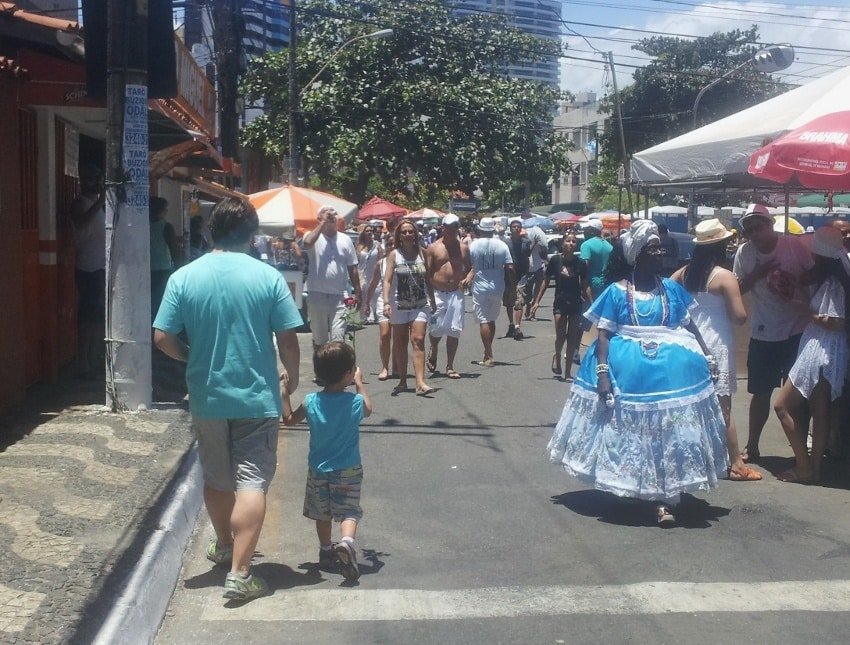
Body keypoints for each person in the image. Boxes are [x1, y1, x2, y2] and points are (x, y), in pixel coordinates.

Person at [153, 197, 302, 600]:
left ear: (209, 231)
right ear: (251, 235)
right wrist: (294, 378)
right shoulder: (267, 276)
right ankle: (240, 573)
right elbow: (288, 338)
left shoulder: (184, 277)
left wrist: (192, 358)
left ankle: (223, 544)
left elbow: (162, 337)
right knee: (252, 480)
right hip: (257, 397)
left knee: (218, 479)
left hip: (207, 395)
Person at [547, 219, 728, 527]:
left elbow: (688, 324)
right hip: (630, 377)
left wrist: (707, 354)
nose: (660, 252)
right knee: (639, 437)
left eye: (659, 247)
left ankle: (666, 494)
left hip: (673, 377)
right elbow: (603, 335)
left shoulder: (671, 288)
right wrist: (603, 374)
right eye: (653, 248)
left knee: (669, 434)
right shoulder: (617, 292)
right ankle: (648, 495)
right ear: (638, 254)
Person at [672, 219, 760, 482]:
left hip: (688, 343)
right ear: (720, 246)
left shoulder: (683, 273)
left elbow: (669, 296)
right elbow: (739, 317)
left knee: (689, 404)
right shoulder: (724, 276)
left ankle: (692, 457)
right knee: (724, 408)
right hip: (717, 346)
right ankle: (735, 464)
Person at [282, 341, 371, 581]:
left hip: (319, 469)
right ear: (348, 374)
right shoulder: (354, 402)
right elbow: (368, 408)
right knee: (349, 511)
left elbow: (289, 420)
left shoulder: (311, 401)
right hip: (348, 469)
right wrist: (360, 384)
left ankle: (325, 550)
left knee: (323, 514)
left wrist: (284, 395)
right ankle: (347, 542)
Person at [733, 203, 813, 463]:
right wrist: (758, 274)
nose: (756, 233)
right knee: (760, 392)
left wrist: (790, 282)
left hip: (796, 329)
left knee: (798, 394)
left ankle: (799, 444)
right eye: (750, 229)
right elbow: (738, 289)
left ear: (770, 225)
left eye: (760, 226)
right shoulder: (744, 253)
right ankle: (752, 445)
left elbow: (814, 275)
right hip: (764, 331)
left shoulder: (792, 246)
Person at [773, 226, 848, 484]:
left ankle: (804, 465)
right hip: (831, 348)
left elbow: (836, 322)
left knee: (782, 405)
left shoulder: (834, 283)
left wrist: (807, 311)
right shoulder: (834, 278)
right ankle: (813, 469)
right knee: (820, 410)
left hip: (821, 346)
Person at [382, 220, 434, 395]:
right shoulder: (394, 255)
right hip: (399, 304)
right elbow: (387, 280)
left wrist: (432, 299)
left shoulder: (423, 253)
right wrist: (386, 302)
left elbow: (428, 278)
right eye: (403, 232)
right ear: (399, 235)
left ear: (415, 234)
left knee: (418, 339)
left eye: (410, 231)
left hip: (420, 303)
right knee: (400, 342)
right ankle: (403, 380)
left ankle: (420, 382)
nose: (407, 235)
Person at [531, 231, 589, 381]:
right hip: (560, 302)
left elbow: (585, 285)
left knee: (572, 337)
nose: (571, 243)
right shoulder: (555, 260)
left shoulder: (580, 263)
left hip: (576, 303)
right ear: (562, 243)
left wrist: (593, 302)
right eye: (568, 241)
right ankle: (557, 356)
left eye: (574, 241)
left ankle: (568, 372)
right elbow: (546, 281)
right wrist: (536, 301)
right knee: (561, 336)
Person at [302, 206, 361, 348]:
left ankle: (337, 369)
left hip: (339, 296)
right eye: (326, 212)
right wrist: (322, 223)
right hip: (317, 294)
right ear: (319, 218)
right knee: (320, 339)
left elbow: (352, 268)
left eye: (333, 212)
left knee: (338, 339)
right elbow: (307, 243)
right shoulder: (312, 235)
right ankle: (321, 367)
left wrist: (358, 292)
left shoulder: (345, 239)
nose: (330, 214)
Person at [462, 217, 515, 366]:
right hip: (498, 285)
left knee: (483, 320)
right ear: (493, 230)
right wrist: (512, 286)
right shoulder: (502, 245)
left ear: (480, 229)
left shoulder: (474, 245)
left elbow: (468, 265)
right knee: (491, 319)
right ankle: (487, 352)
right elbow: (510, 268)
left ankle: (489, 354)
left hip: (480, 286)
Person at [70, 163, 106, 378]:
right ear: (82, 181)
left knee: (96, 319)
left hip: (100, 268)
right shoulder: (79, 204)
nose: (96, 183)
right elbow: (82, 224)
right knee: (87, 318)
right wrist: (99, 203)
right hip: (87, 268)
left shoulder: (97, 204)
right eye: (91, 179)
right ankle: (83, 360)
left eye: (98, 179)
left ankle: (93, 358)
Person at [424, 213, 470, 378]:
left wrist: (468, 278)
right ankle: (434, 349)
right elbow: (427, 273)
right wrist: (429, 295)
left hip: (456, 293)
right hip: (437, 293)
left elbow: (472, 268)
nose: (452, 231)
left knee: (454, 330)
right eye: (449, 228)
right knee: (435, 329)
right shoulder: (433, 248)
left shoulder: (463, 248)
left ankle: (450, 365)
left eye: (455, 228)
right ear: (443, 228)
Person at [365, 235, 396, 381]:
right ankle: (385, 366)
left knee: (399, 336)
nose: (391, 247)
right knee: (385, 334)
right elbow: (373, 284)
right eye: (389, 244)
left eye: (394, 244)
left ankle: (397, 364)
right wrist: (366, 303)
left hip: (399, 302)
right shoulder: (381, 263)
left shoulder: (403, 262)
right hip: (383, 301)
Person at [149, 196, 180, 323]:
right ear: (161, 211)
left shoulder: (142, 225)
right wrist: (179, 268)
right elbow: (174, 250)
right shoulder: (166, 226)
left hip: (146, 269)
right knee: (161, 304)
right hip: (162, 270)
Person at [504, 218, 533, 339]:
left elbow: (528, 257)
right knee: (509, 302)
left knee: (519, 301)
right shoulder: (505, 243)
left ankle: (517, 327)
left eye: (518, 227)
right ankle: (511, 324)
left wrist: (527, 274)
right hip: (508, 276)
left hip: (521, 276)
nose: (516, 228)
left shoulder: (526, 242)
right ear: (510, 229)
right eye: (514, 227)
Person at [579, 219, 613, 300]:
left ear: (592, 231)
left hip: (591, 285)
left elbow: (584, 266)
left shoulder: (586, 245)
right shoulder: (609, 246)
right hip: (606, 283)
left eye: (586, 229)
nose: (584, 231)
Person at [356, 224, 383, 323]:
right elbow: (356, 260)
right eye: (367, 231)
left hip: (374, 271)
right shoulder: (359, 246)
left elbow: (381, 258)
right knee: (364, 292)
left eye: (371, 230)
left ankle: (373, 314)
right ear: (363, 232)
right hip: (362, 273)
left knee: (375, 292)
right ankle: (365, 316)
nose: (370, 232)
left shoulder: (377, 245)